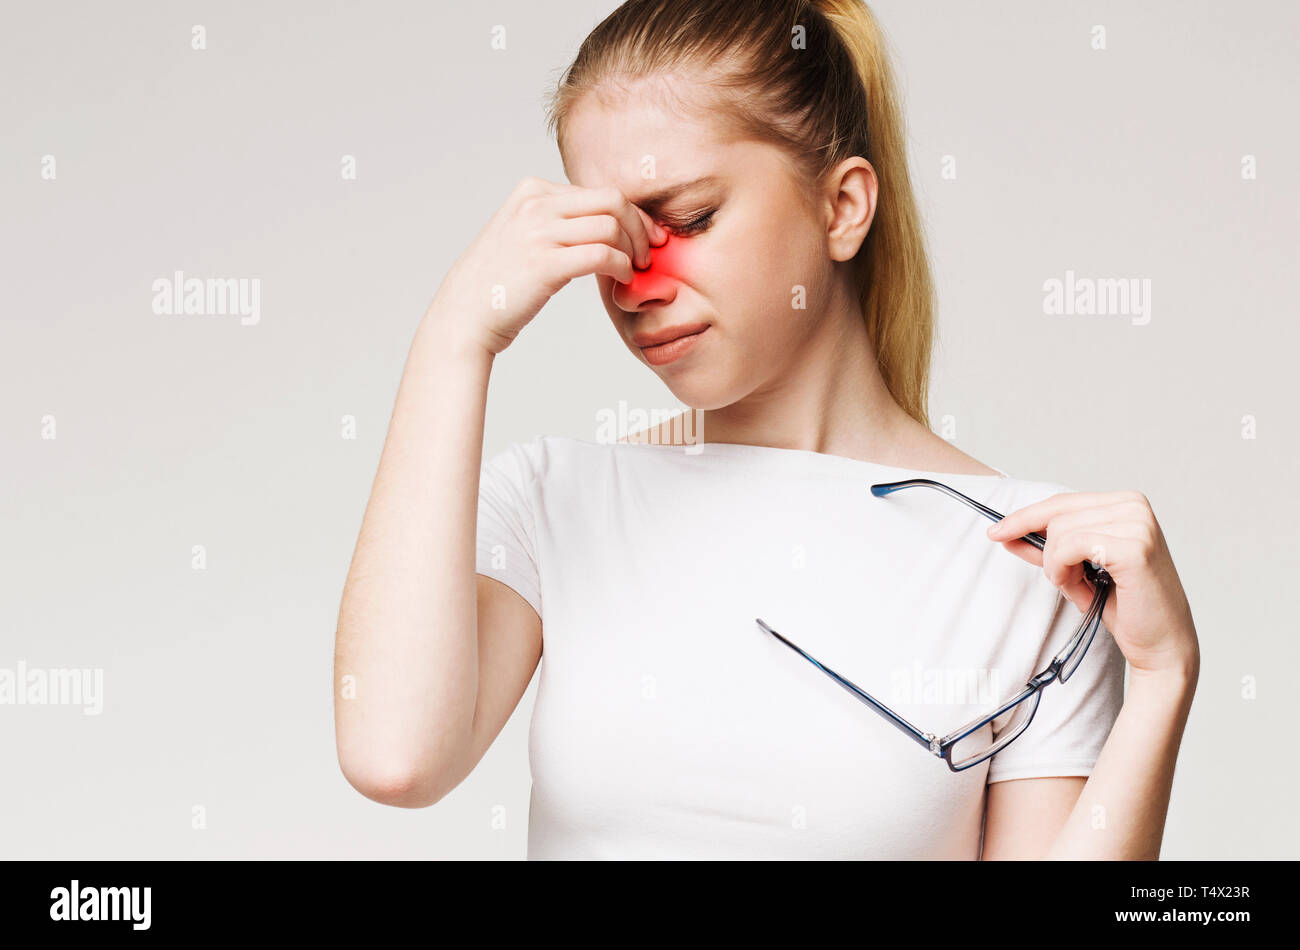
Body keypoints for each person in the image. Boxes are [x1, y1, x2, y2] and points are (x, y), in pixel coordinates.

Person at [333, 0, 1199, 859]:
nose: (638, 285)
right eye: (613, 238)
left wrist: (1162, 680)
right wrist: (455, 337)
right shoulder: (555, 501)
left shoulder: (1028, 557)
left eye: (691, 218)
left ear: (842, 208)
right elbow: (395, 758)